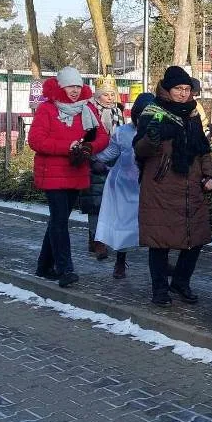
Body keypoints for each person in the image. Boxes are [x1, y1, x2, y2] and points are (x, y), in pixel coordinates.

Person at [134, 66, 212, 306]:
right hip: (161, 187)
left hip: (191, 187)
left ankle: (180, 282)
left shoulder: (193, 114)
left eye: (187, 89)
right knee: (160, 242)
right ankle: (160, 289)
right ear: (167, 89)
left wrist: (209, 174)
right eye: (178, 88)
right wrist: (151, 139)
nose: (183, 93)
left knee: (196, 239)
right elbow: (139, 150)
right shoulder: (153, 112)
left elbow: (202, 148)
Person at [27, 67, 108, 287]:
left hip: (76, 171)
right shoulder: (47, 109)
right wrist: (67, 147)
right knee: (60, 220)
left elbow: (102, 136)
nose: (74, 91)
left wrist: (89, 147)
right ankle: (65, 269)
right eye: (70, 86)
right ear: (61, 87)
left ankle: (44, 266)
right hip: (52, 173)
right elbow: (36, 140)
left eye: (78, 86)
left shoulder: (87, 108)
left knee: (58, 219)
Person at [94, 92, 155, 279]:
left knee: (156, 224)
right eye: (141, 114)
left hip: (150, 186)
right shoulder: (122, 132)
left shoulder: (159, 132)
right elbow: (109, 153)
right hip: (124, 187)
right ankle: (120, 261)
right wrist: (91, 157)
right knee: (124, 224)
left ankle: (161, 261)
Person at [80, 75, 123, 261]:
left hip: (114, 162)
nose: (110, 98)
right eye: (106, 94)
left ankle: (104, 236)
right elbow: (84, 139)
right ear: (98, 95)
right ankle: (96, 239)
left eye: (112, 94)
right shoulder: (88, 111)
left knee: (111, 203)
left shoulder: (118, 111)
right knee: (95, 203)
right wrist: (91, 160)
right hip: (94, 162)